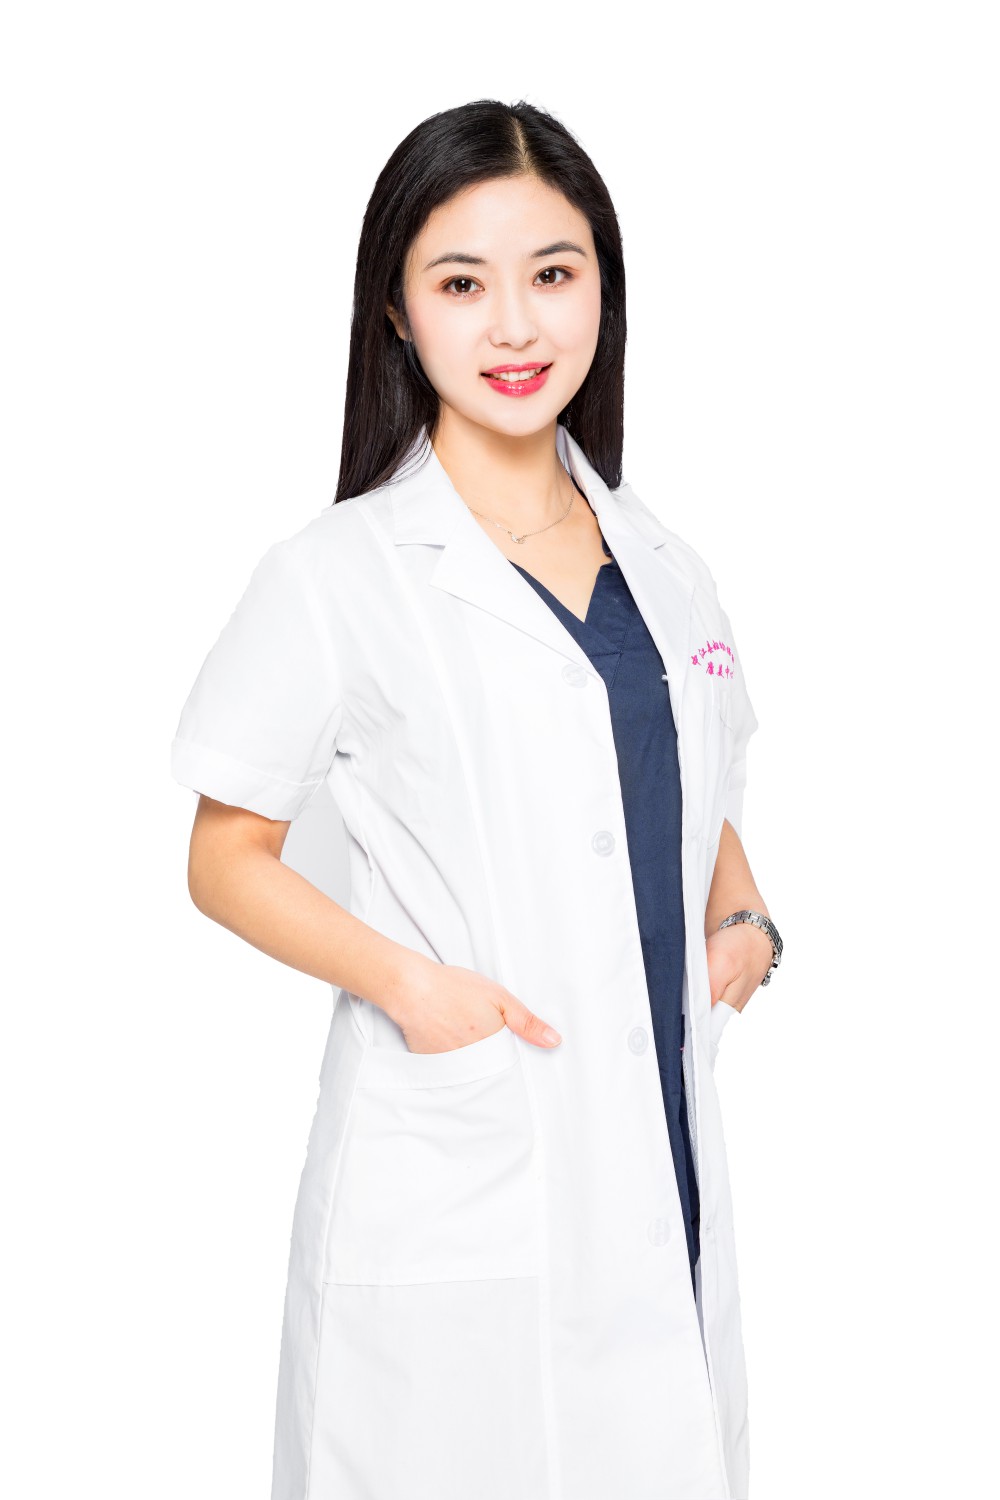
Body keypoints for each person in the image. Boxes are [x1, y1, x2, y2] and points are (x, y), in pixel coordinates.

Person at [171, 98, 782, 1500]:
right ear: (396, 312)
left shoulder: (666, 564)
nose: (516, 325)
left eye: (553, 273)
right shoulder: (340, 574)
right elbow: (224, 855)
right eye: (462, 283)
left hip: (659, 1156)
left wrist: (747, 920)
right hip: (456, 1170)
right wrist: (412, 986)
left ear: (603, 291)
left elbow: (687, 783)